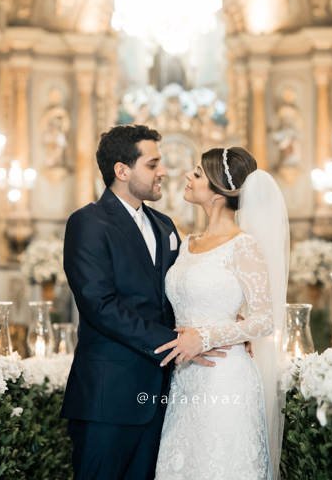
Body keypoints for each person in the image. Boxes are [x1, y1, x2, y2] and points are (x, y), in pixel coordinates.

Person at [61, 124, 223, 479]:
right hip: (107, 397)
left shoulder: (164, 225)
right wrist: (174, 342)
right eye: (152, 164)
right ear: (122, 171)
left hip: (160, 395)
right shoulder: (88, 223)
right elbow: (99, 305)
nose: (163, 171)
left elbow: (179, 294)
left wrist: (219, 328)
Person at [153, 146, 290, 479]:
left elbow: (265, 319)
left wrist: (206, 337)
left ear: (218, 192)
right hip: (185, 378)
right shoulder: (186, 243)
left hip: (225, 375)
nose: (188, 175)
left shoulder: (243, 245)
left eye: (198, 173)